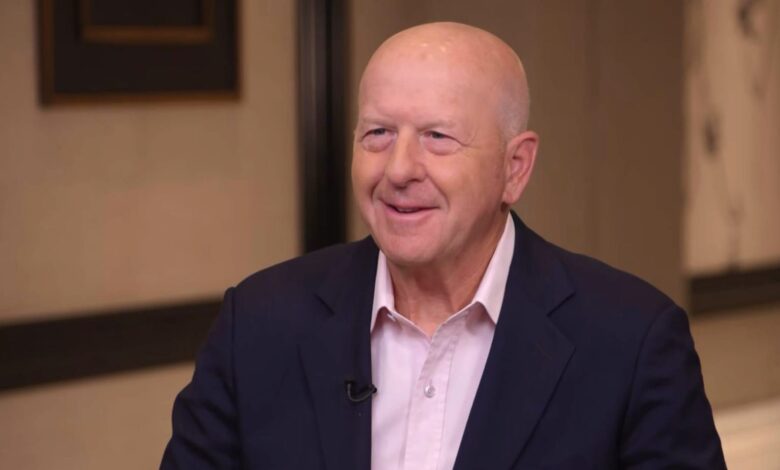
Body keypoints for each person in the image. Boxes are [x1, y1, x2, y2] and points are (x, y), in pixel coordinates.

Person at [161, 22, 726, 469]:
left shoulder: (631, 341)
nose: (398, 169)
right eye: (378, 133)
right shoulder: (258, 324)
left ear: (515, 167)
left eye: (437, 137)